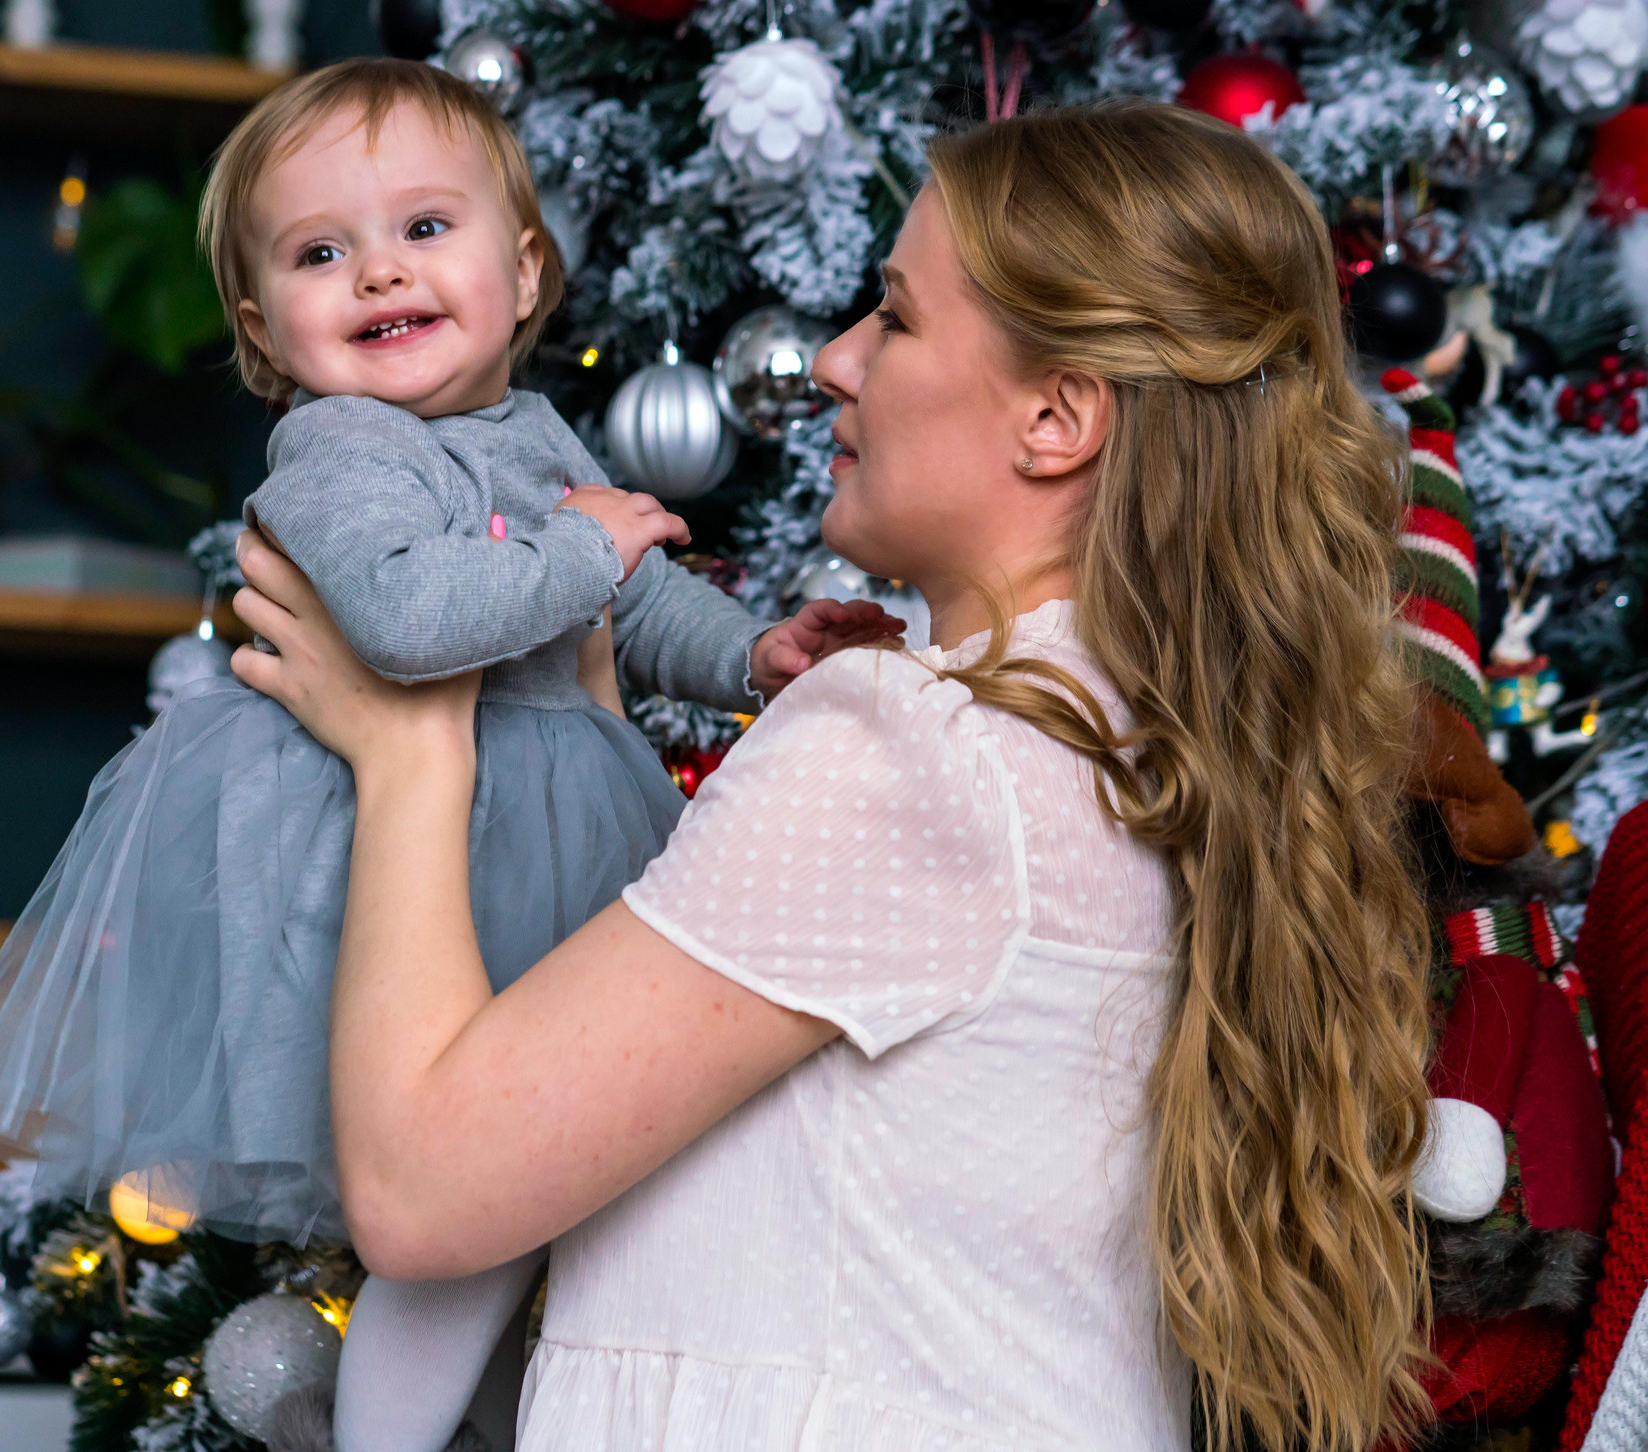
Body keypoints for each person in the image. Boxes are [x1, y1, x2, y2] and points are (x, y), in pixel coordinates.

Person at [231, 99, 1440, 1452]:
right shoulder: (1118, 727)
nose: (829, 360)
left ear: (1057, 416)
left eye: (897, 318)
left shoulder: (915, 750)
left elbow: (421, 1191)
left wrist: (407, 750)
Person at [0, 59, 897, 1452]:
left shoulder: (526, 432)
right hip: (415, 873)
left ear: (524, 269)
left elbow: (629, 592)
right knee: (462, 1211)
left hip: (541, 835)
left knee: (544, 1199)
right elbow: (407, 621)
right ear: (267, 332)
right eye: (323, 253)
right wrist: (584, 546)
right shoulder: (338, 449)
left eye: (424, 231)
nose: (379, 273)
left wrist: (751, 656)